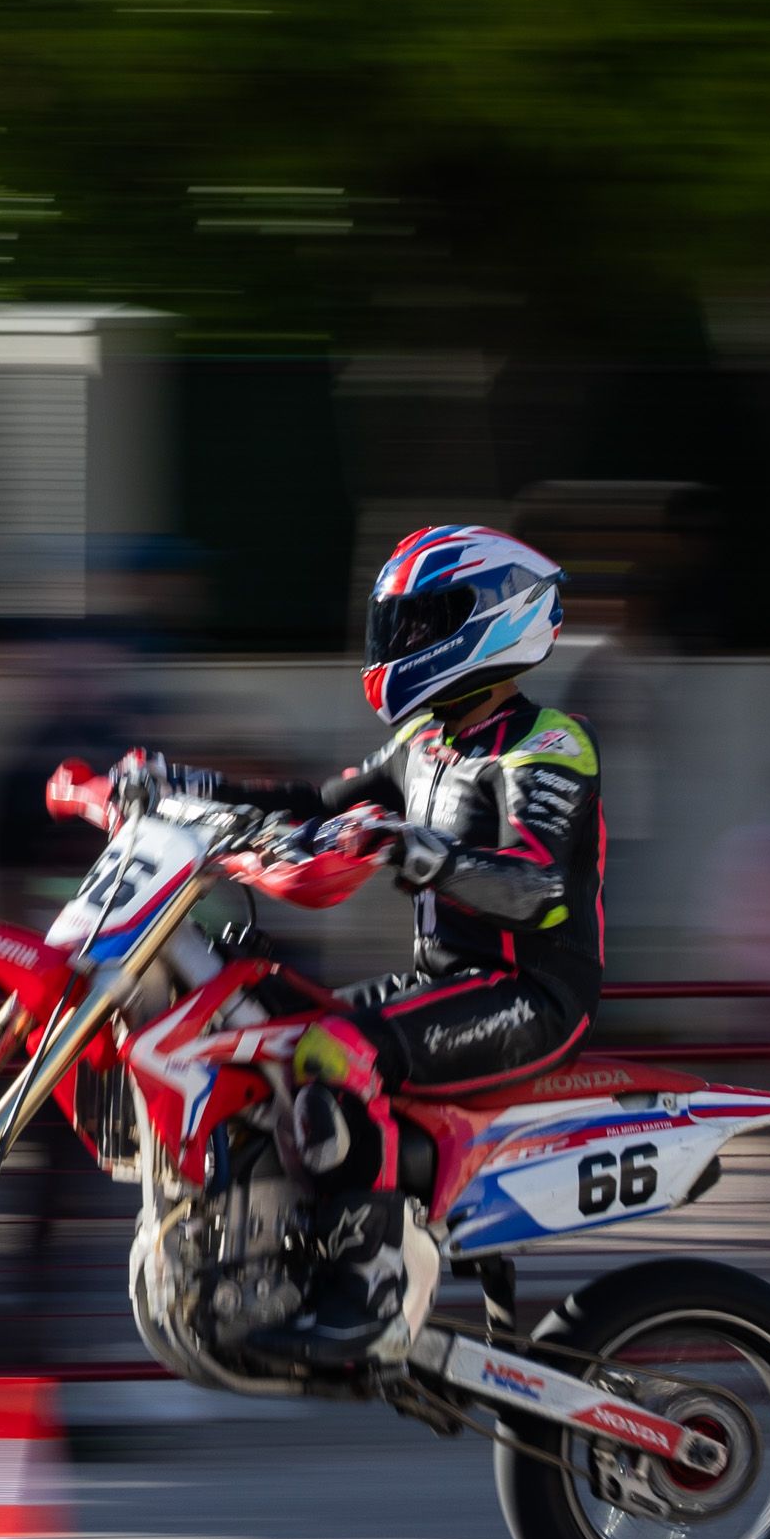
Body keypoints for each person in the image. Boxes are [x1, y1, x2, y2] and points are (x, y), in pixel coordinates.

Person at [115, 524, 600, 1370]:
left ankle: (368, 1287)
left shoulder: (548, 743)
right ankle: (271, 1249)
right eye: (399, 626)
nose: (402, 642)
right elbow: (312, 801)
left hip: (530, 993)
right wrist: (179, 784)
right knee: (263, 1015)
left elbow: (539, 888)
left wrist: (418, 850)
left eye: (420, 623)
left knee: (333, 1052)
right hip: (444, 980)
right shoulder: (427, 745)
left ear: (489, 618)